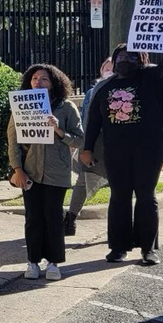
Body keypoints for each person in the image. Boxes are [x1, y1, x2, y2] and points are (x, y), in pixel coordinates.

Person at [82, 18, 163, 265]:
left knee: (146, 197)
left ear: (142, 59)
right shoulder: (105, 87)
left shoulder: (152, 78)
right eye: (121, 57)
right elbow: (94, 119)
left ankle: (148, 249)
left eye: (132, 57)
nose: (126, 60)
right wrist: (87, 148)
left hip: (149, 150)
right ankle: (118, 247)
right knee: (119, 197)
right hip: (116, 152)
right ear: (113, 62)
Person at [7, 64, 82, 281]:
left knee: (54, 217)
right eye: (34, 78)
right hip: (30, 172)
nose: (38, 82)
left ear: (55, 83)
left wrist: (58, 129)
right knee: (33, 218)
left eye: (44, 79)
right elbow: (13, 142)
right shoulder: (22, 106)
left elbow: (80, 139)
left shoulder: (66, 107)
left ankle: (53, 262)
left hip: (57, 173)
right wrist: (18, 170)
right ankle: (32, 261)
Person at [65, 58, 113, 237]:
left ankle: (116, 225)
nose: (109, 71)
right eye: (106, 68)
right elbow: (86, 119)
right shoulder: (93, 92)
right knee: (83, 182)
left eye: (113, 68)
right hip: (94, 145)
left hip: (116, 147)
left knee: (119, 188)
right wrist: (86, 146)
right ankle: (70, 218)